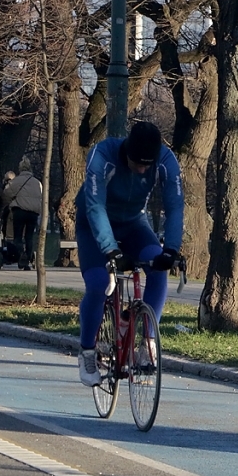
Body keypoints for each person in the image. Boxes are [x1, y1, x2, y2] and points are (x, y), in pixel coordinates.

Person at [75, 121, 184, 386]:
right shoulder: (102, 156)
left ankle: (147, 343)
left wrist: (171, 248)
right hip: (94, 225)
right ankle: (87, 350)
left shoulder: (166, 160)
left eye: (149, 164)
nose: (144, 169)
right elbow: (95, 206)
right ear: (127, 154)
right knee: (100, 284)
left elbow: (175, 205)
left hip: (134, 223)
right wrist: (109, 249)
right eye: (138, 164)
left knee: (159, 269)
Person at [0, 159, 43, 270]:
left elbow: (6, 194)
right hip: (34, 212)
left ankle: (22, 253)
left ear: (20, 168)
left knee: (18, 236)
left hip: (20, 211)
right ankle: (27, 259)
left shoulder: (16, 181)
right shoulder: (37, 182)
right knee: (29, 237)